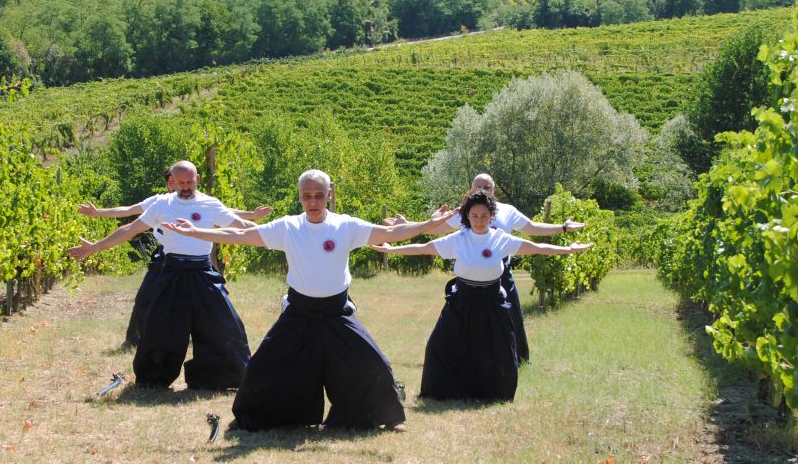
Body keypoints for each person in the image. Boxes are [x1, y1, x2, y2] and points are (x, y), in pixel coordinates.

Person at [162, 169, 459, 431]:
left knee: (371, 362)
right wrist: (197, 232)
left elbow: (391, 232)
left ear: (329, 195)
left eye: (319, 195)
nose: (314, 202)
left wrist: (426, 225)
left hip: (337, 311)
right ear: (300, 197)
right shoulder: (288, 228)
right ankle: (253, 417)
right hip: (299, 311)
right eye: (307, 196)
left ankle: (385, 416)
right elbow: (241, 235)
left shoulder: (346, 226)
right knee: (263, 365)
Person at [373, 190, 592, 401]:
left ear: (491, 216)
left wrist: (568, 250)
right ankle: (443, 392)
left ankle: (494, 393)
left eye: (484, 216)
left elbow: (537, 247)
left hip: (493, 301)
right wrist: (392, 251)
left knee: (499, 350)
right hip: (462, 300)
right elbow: (423, 248)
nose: (479, 221)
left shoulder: (501, 239)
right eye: (475, 216)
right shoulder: (458, 239)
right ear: (467, 216)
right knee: (437, 346)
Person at [68, 161, 256, 390]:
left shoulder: (210, 204)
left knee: (224, 325)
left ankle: (219, 377)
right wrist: (95, 247)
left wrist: (279, 233)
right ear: (173, 182)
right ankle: (153, 378)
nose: (186, 187)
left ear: (197, 179)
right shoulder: (161, 204)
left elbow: (241, 226)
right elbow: (130, 229)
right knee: (161, 328)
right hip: (172, 272)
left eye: (190, 182)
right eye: (181, 183)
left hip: (202, 273)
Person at [418, 173, 586, 364]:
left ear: (494, 190)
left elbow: (532, 228)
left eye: (487, 186)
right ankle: (467, 362)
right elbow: (435, 229)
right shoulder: (463, 212)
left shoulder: (507, 211)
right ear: (471, 189)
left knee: (511, 315)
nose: (482, 189)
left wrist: (562, 228)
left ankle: (517, 360)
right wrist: (405, 226)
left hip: (501, 271)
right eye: (478, 186)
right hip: (471, 274)